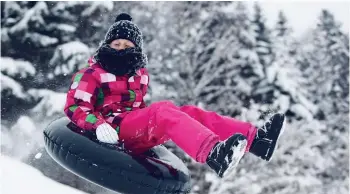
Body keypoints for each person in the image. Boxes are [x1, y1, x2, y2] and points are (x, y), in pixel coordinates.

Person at [64, 13, 286, 178]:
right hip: (111, 130)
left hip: (133, 130)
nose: (121, 48)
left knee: (189, 112)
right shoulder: (92, 74)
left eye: (127, 44)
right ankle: (214, 154)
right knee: (163, 110)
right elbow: (75, 107)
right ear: (107, 45)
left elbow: (137, 110)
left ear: (136, 49)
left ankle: (257, 140)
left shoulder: (139, 76)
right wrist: (98, 125)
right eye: (116, 44)